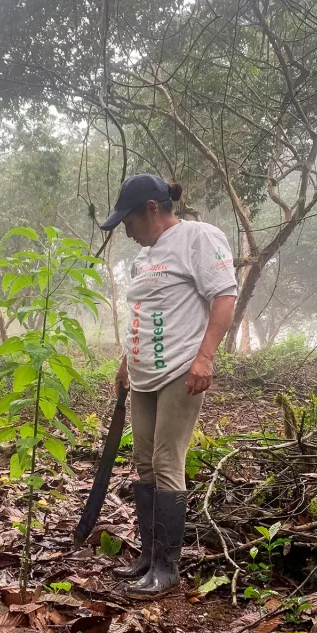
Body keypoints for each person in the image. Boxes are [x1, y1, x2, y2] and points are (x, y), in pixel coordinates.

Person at [100, 174, 237, 599]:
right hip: (142, 375)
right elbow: (144, 310)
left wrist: (205, 357)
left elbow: (224, 297)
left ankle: (167, 567)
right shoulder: (145, 256)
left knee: (165, 460)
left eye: (128, 219)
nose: (125, 229)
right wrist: (126, 361)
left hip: (181, 369)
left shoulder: (198, 237)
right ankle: (147, 557)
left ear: (152, 209)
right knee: (143, 461)